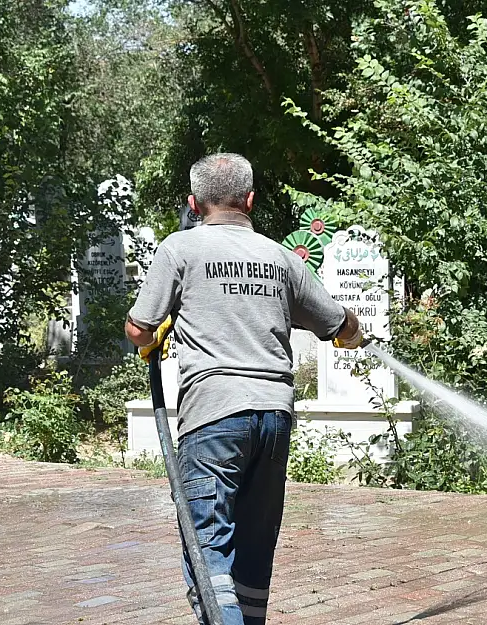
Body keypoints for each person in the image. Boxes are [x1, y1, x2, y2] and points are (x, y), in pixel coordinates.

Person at [125, 153, 363, 624]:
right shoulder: (280, 258)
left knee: (207, 549)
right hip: (274, 419)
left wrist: (154, 335)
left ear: (194, 204)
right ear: (251, 200)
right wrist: (355, 334)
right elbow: (338, 324)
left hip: (214, 416)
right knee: (254, 552)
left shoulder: (180, 249)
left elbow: (138, 328)